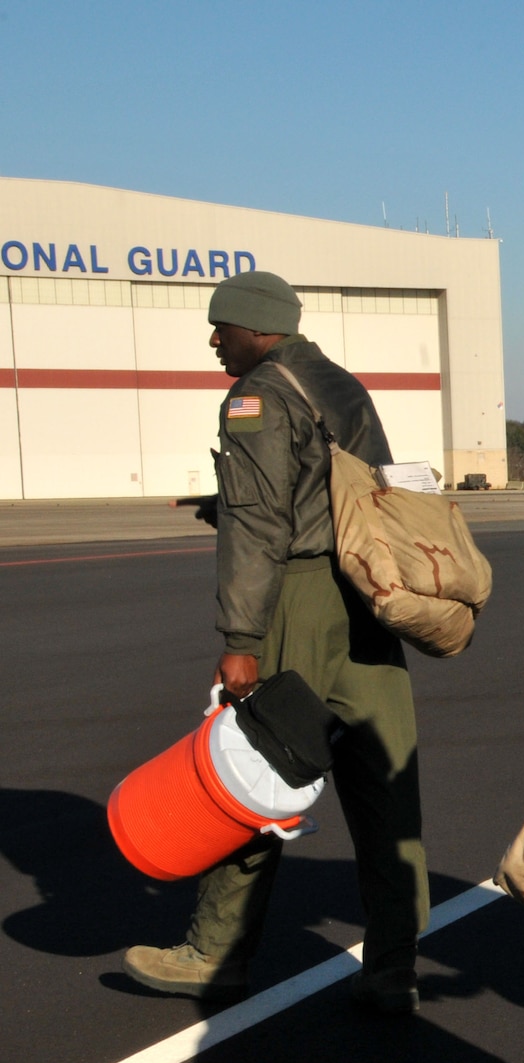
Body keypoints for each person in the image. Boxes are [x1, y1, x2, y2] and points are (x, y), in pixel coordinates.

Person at [122, 271, 431, 1015]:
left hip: (300, 601)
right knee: (384, 784)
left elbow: (262, 527)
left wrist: (242, 638)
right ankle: (393, 968)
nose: (214, 341)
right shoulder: (342, 385)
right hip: (368, 598)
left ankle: (214, 953)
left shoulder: (257, 395)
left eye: (221, 329)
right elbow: (357, 490)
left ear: (257, 329)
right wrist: (224, 505)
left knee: (253, 775)